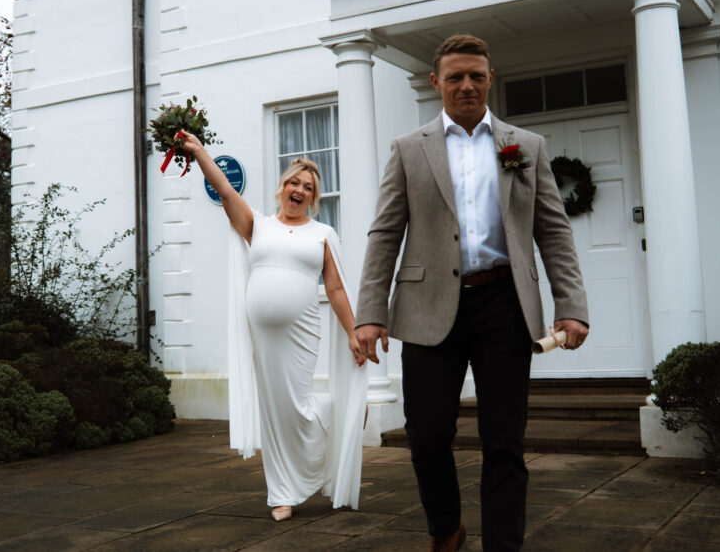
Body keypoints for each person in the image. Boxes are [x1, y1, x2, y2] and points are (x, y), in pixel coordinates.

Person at [354, 34, 589, 552]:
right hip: (426, 307)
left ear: (490, 78)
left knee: (504, 440)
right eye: (455, 77)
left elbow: (553, 231)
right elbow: (385, 232)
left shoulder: (525, 147)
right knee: (427, 436)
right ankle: (446, 529)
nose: (466, 85)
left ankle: (503, 545)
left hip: (505, 306)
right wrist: (370, 312)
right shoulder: (408, 148)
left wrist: (571, 306)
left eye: (476, 76)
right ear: (436, 81)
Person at [177, 131, 368, 522]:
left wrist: (352, 332)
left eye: (308, 187)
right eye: (294, 183)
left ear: (313, 198)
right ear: (282, 189)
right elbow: (225, 192)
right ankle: (282, 493)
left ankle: (340, 412)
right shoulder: (258, 225)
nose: (300, 190)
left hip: (302, 332)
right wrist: (198, 152)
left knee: (297, 406)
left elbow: (335, 288)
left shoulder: (322, 234)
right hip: (262, 336)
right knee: (274, 411)